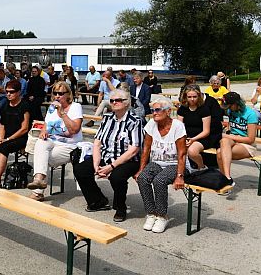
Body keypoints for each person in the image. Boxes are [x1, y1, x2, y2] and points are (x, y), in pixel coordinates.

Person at [73, 89, 143, 222]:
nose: (114, 102)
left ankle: (120, 207)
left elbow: (133, 150)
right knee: (81, 170)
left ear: (127, 103)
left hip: (127, 160)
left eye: (118, 100)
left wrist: (111, 167)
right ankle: (98, 201)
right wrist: (95, 164)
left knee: (117, 177)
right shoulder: (107, 118)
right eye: (112, 100)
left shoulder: (135, 121)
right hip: (106, 156)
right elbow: (97, 143)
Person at [135, 96, 187, 233]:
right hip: (157, 162)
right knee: (142, 178)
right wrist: (141, 169)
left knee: (160, 180)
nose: (154, 113)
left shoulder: (178, 126)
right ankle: (151, 213)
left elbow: (182, 153)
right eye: (153, 110)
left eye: (158, 109)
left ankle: (162, 215)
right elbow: (146, 149)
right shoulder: (151, 124)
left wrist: (180, 176)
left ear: (168, 111)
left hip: (174, 164)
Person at [27, 81, 83, 202]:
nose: (57, 96)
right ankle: (38, 180)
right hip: (52, 141)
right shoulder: (52, 107)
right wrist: (43, 131)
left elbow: (74, 130)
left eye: (61, 93)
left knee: (42, 157)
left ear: (68, 94)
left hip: (70, 144)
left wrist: (62, 113)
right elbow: (46, 125)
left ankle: (38, 191)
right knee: (40, 143)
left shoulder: (75, 107)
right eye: (55, 93)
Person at [0, 79, 30, 187]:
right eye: (7, 91)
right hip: (6, 135)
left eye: (12, 92)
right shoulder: (5, 105)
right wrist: (1, 138)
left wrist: (7, 139)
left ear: (18, 92)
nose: (8, 94)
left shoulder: (24, 105)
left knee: (3, 147)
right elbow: (2, 124)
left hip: (20, 136)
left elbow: (24, 128)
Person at [217, 92, 258, 187]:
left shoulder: (250, 114)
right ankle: (227, 178)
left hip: (247, 144)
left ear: (236, 104)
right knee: (223, 142)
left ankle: (226, 179)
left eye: (229, 106)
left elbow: (251, 139)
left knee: (220, 152)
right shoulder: (231, 111)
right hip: (233, 139)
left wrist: (227, 136)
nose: (228, 109)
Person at [177, 84, 214, 170]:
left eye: (194, 96)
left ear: (199, 96)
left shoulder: (204, 109)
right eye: (189, 97)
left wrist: (193, 139)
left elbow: (206, 131)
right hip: (186, 136)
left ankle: (202, 167)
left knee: (192, 151)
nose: (192, 99)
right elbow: (179, 127)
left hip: (201, 137)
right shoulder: (182, 109)